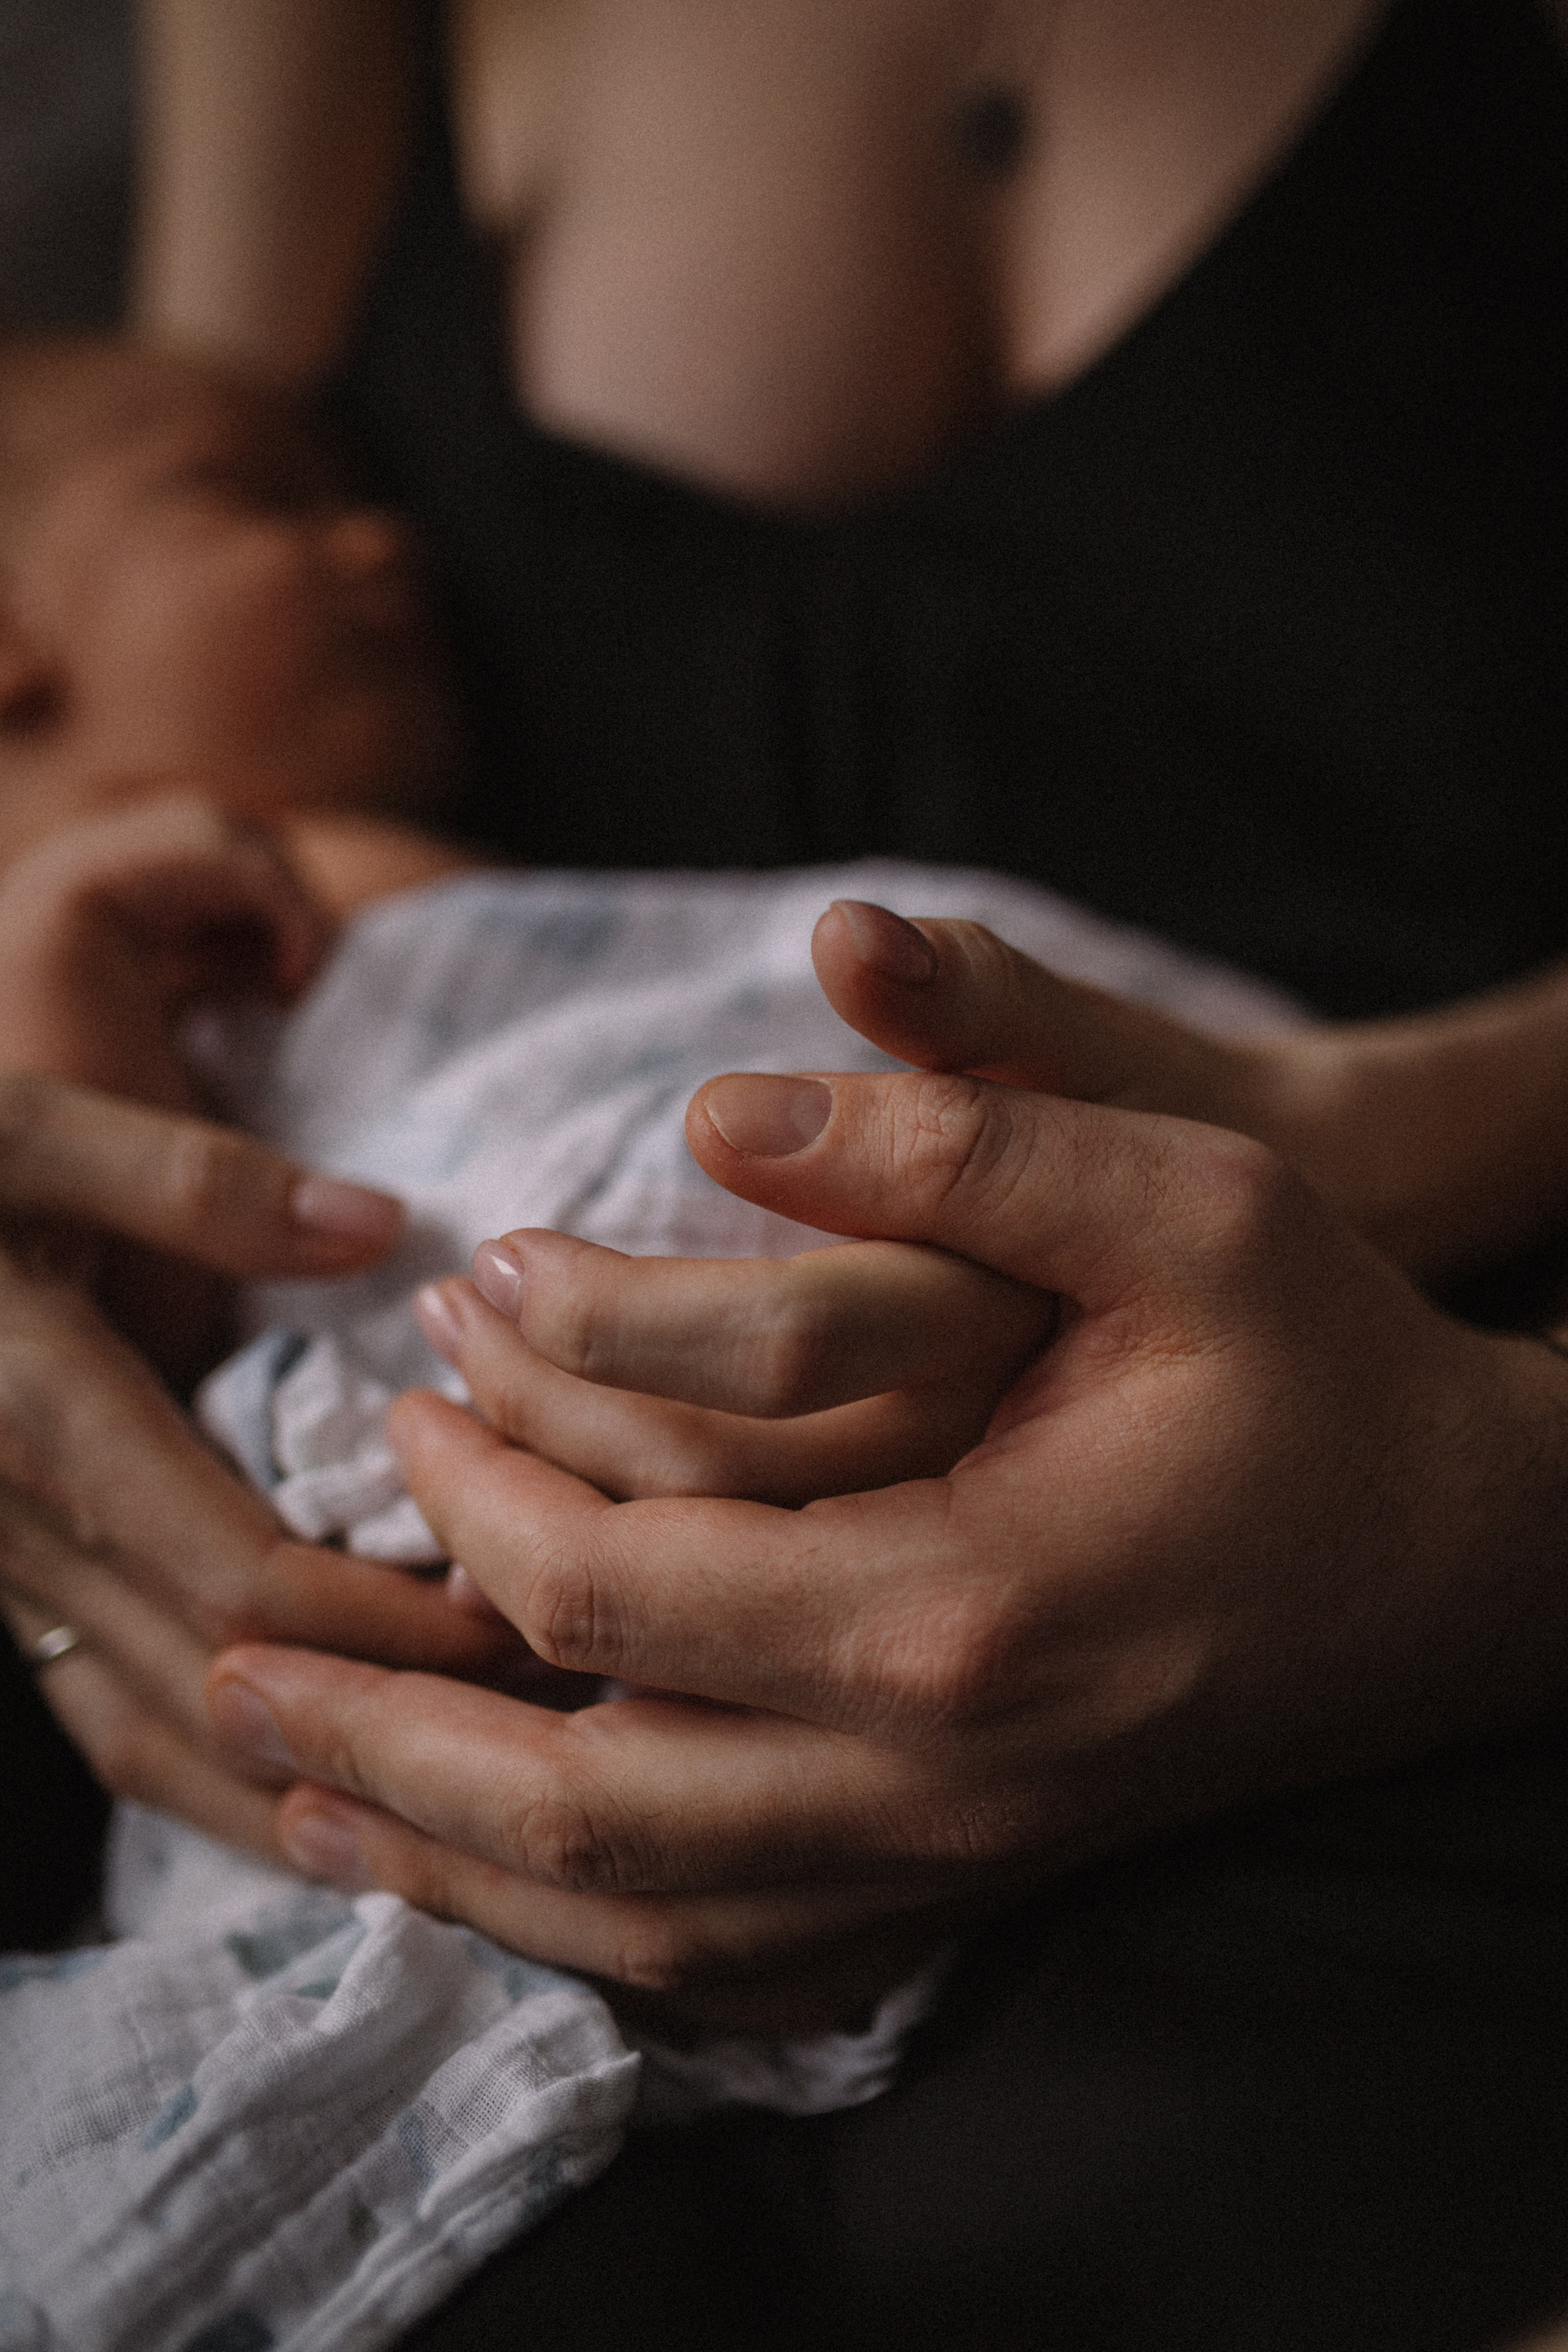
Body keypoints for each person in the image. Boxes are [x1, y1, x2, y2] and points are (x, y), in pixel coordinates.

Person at [5, 0, 1568, 2337]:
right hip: (371, 1727)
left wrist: (1497, 1501)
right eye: (262, 517)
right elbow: (121, 533)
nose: (357, 536)